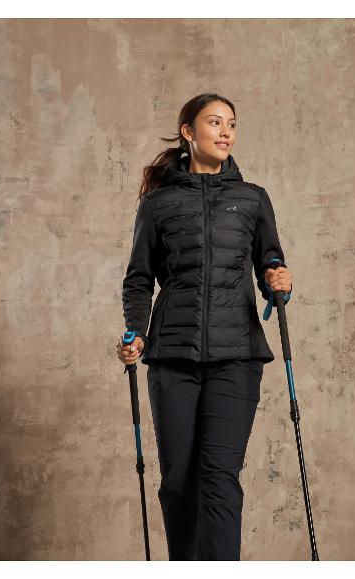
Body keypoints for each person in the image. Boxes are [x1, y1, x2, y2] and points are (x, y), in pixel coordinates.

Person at [117, 93, 293, 560]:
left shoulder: (252, 199)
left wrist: (279, 279)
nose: (225, 132)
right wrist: (135, 332)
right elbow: (138, 279)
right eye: (214, 122)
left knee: (218, 476)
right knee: (178, 480)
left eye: (231, 124)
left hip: (236, 358)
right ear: (188, 133)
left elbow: (270, 261)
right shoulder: (158, 206)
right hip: (172, 358)